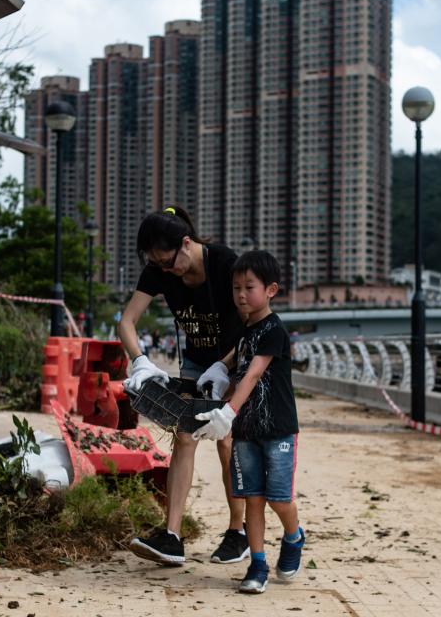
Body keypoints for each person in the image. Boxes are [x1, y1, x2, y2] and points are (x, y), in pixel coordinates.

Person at [121, 206, 247, 566]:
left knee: (225, 438)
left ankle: (236, 532)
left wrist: (225, 368)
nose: (164, 271)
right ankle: (172, 537)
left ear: (187, 244)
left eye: (168, 262)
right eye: (157, 265)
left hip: (232, 361)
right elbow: (127, 321)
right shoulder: (158, 271)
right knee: (185, 435)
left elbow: (251, 323)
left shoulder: (224, 263)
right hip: (195, 362)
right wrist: (140, 360)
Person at [193, 250, 304, 594]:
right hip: (246, 433)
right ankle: (257, 563)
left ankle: (294, 535)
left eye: (249, 287)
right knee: (252, 497)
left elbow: (254, 373)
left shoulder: (275, 329)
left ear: (271, 290)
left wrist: (228, 412)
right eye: (236, 287)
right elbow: (240, 354)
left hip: (278, 430)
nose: (241, 294)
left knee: (278, 498)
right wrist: (220, 368)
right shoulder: (246, 329)